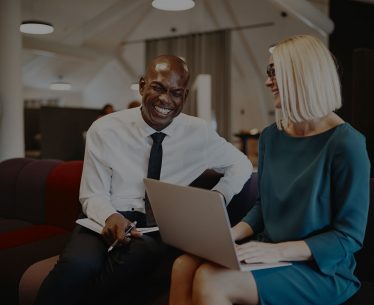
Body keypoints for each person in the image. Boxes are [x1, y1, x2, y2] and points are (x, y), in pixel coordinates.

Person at [169, 35, 371, 305]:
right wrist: (228, 235)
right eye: (268, 71)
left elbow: (347, 237)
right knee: (183, 266)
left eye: (274, 72)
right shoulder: (271, 137)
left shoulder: (347, 144)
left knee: (210, 279)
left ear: (302, 75)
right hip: (269, 249)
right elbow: (264, 208)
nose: (267, 81)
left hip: (320, 268)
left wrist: (278, 252)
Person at [35, 55, 252, 305]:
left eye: (175, 93)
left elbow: (241, 164)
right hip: (104, 217)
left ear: (185, 96)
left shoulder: (198, 132)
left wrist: (220, 195)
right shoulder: (105, 129)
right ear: (141, 86)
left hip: (159, 226)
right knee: (76, 264)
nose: (165, 100)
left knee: (141, 254)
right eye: (157, 88)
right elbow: (91, 194)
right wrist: (110, 216)